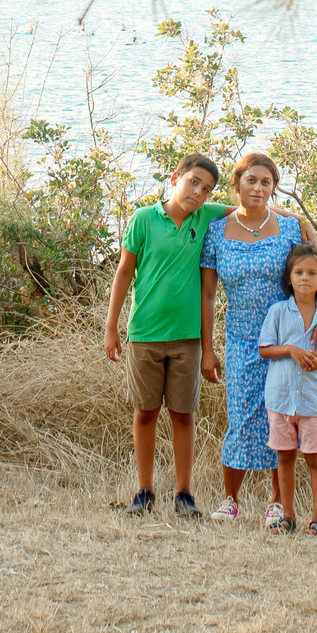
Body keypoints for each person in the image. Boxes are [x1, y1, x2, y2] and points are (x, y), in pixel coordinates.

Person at [198, 151, 317, 520]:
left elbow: (316, 272)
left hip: (287, 340)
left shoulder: (290, 229)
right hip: (241, 338)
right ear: (237, 184)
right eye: (251, 180)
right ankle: (230, 499)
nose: (258, 188)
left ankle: (277, 503)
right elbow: (207, 295)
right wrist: (208, 351)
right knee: (240, 418)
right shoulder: (216, 231)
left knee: (283, 418)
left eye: (266, 182)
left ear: (274, 189)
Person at [102, 153, 232, 516]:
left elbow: (251, 212)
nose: (198, 193)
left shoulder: (205, 217)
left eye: (206, 189)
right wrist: (111, 328)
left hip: (187, 339)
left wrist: (297, 219)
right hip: (144, 334)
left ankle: (184, 494)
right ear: (176, 177)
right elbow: (124, 273)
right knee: (145, 412)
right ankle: (143, 491)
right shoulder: (144, 219)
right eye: (193, 183)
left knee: (183, 414)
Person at [257, 244, 317, 536]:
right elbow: (265, 349)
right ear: (289, 279)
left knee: (315, 458)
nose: (305, 278)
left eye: (312, 273)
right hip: (280, 401)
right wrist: (292, 350)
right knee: (285, 457)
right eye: (298, 272)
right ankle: (288, 514)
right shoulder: (278, 312)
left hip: (312, 402)